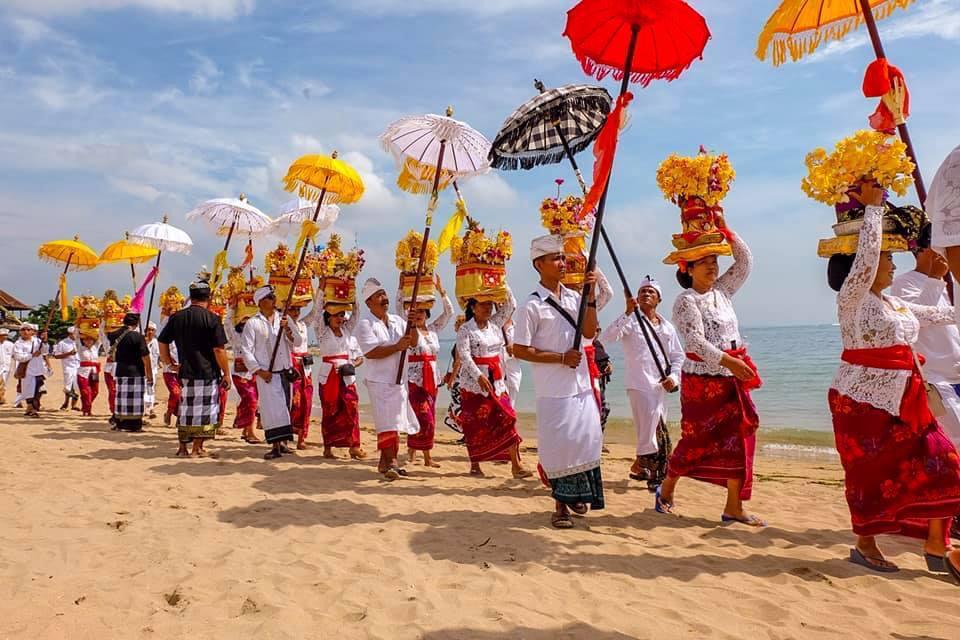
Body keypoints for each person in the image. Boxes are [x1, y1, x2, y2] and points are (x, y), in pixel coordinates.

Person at [826, 181, 960, 579]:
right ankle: (866, 544)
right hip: (860, 402)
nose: (891, 265)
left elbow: (943, 315)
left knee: (946, 463)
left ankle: (937, 543)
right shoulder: (852, 298)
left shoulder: (896, 303)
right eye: (887, 258)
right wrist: (871, 209)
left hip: (905, 400)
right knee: (869, 477)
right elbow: (865, 257)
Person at [656, 215, 764, 526]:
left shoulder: (722, 291)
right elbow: (695, 342)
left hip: (732, 375)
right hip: (703, 381)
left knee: (740, 437)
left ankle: (734, 506)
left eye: (714, 259)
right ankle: (666, 488)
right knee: (696, 440)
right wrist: (730, 362)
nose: (712, 266)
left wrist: (725, 223)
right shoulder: (686, 301)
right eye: (703, 261)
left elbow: (745, 262)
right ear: (687, 269)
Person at [514, 235, 603, 529]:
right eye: (555, 259)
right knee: (559, 448)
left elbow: (589, 331)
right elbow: (519, 349)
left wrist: (590, 295)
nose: (562, 263)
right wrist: (560, 358)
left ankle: (579, 494)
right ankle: (560, 505)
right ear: (539, 265)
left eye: (563, 258)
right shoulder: (531, 305)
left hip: (581, 387)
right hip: (553, 390)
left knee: (585, 441)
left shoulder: (575, 298)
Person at [602, 276, 684, 491]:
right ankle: (657, 473)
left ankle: (640, 466)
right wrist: (628, 312)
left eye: (651, 292)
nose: (646, 294)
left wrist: (674, 378)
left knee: (653, 426)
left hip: (661, 386)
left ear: (658, 299)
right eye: (642, 292)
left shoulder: (667, 327)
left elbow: (678, 357)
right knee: (653, 428)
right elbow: (608, 336)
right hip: (639, 383)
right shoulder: (630, 322)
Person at [891, 224, 960, 444]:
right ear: (921, 249)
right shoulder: (904, 283)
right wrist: (933, 279)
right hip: (936, 377)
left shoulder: (948, 280)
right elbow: (917, 318)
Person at [456, 287, 529, 478]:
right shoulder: (466, 329)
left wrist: (502, 283)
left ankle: (516, 465)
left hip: (497, 381)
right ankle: (475, 465)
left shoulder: (495, 324)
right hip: (474, 384)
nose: (488, 308)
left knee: (508, 417)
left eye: (490, 304)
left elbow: (511, 305)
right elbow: (464, 355)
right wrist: (478, 376)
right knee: (475, 425)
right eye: (483, 304)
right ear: (473, 307)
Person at [355, 278, 419, 480]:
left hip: (399, 379)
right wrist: (396, 347)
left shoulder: (399, 321)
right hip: (379, 381)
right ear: (369, 302)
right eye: (379, 296)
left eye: (384, 294)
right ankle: (392, 462)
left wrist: (414, 325)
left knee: (397, 421)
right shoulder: (365, 324)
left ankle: (384, 462)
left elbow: (413, 342)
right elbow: (371, 352)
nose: (384, 299)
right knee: (387, 422)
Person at [159, 280, 231, 457]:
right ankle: (197, 448)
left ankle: (182, 448)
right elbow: (219, 349)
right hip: (207, 372)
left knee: (186, 409)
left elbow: (162, 341)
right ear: (209, 297)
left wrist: (169, 362)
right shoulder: (212, 318)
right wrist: (227, 373)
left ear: (190, 297)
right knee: (205, 410)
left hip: (185, 371)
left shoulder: (177, 317)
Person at [240, 285, 303, 460]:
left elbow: (297, 341)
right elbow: (247, 350)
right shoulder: (253, 323)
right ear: (260, 302)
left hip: (284, 371)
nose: (274, 299)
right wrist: (259, 371)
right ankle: (275, 445)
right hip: (267, 374)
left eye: (273, 296)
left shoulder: (284, 318)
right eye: (269, 297)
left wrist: (288, 330)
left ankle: (283, 444)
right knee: (272, 410)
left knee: (285, 408)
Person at [399, 275, 454, 468]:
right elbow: (400, 310)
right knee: (423, 418)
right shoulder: (408, 330)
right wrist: (400, 289)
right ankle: (417, 452)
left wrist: (441, 290)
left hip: (432, 378)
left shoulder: (433, 330)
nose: (420, 314)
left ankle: (422, 455)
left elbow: (449, 313)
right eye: (417, 311)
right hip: (415, 380)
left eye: (423, 311)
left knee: (427, 416)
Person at [305, 287, 365, 460]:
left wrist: (353, 294)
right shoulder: (322, 331)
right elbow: (316, 314)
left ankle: (354, 446)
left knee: (352, 408)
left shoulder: (347, 331)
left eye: (342, 315)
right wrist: (322, 290)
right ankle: (328, 447)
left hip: (346, 376)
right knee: (330, 410)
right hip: (328, 376)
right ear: (328, 316)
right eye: (337, 315)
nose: (340, 318)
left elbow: (356, 314)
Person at [109, 313, 152, 432]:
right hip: (136, 371)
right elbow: (146, 357)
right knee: (135, 399)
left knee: (121, 398)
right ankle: (134, 425)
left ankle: (120, 423)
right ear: (136, 323)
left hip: (120, 370)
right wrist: (149, 374)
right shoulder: (137, 337)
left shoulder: (114, 335)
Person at [227, 310, 260, 444]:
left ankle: (246, 430)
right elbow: (227, 323)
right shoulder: (234, 335)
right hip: (239, 374)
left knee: (251, 402)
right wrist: (232, 307)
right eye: (243, 321)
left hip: (253, 373)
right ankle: (250, 431)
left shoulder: (256, 337)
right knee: (251, 401)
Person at [286, 304, 314, 450]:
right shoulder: (283, 325)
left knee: (306, 401)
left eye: (298, 309)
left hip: (305, 368)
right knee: (293, 402)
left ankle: (302, 438)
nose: (296, 312)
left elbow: (315, 312)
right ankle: (285, 435)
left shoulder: (303, 324)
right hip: (291, 368)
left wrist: (320, 290)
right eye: (292, 309)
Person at [12, 323, 48, 418]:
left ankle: (30, 407)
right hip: (27, 370)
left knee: (38, 390)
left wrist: (44, 341)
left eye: (28, 329)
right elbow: (19, 357)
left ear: (32, 331)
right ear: (20, 332)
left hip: (39, 369)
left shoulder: (37, 341)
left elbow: (45, 351)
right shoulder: (18, 344)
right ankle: (31, 408)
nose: (26, 332)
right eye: (23, 330)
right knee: (29, 390)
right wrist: (31, 355)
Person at [53, 326, 80, 411]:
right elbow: (56, 356)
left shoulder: (80, 342)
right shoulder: (63, 343)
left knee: (77, 386)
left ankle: (74, 405)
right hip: (68, 367)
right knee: (68, 386)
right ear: (70, 334)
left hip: (79, 367)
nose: (76, 335)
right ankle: (66, 402)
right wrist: (69, 353)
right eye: (74, 334)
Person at [75, 334, 101, 417]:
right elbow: (76, 336)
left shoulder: (95, 347)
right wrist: (78, 324)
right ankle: (87, 410)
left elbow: (101, 335)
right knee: (85, 392)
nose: (89, 341)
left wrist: (102, 322)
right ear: (83, 340)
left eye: (91, 339)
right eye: (86, 339)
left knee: (95, 391)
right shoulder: (80, 348)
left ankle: (86, 407)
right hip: (83, 372)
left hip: (94, 371)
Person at [143, 322, 160, 420]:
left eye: (152, 330)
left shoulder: (156, 342)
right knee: (144, 389)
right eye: (148, 330)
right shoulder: (141, 341)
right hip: (142, 369)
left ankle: (150, 407)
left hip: (153, 369)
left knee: (151, 388)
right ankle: (146, 408)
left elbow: (158, 355)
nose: (150, 332)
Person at [0, 328, 14, 405]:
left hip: (7, 367)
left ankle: (1, 398)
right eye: (3, 335)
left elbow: (14, 355)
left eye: (5, 335)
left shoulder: (10, 344)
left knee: (4, 382)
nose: (4, 336)